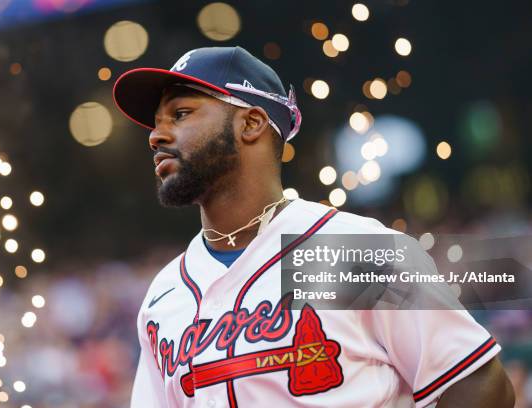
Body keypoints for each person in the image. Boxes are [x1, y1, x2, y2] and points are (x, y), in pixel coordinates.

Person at [113, 46, 514, 407]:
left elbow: (481, 386)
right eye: (156, 121)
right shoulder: (164, 295)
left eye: (180, 114)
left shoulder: (347, 252)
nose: (156, 135)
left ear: (251, 123)